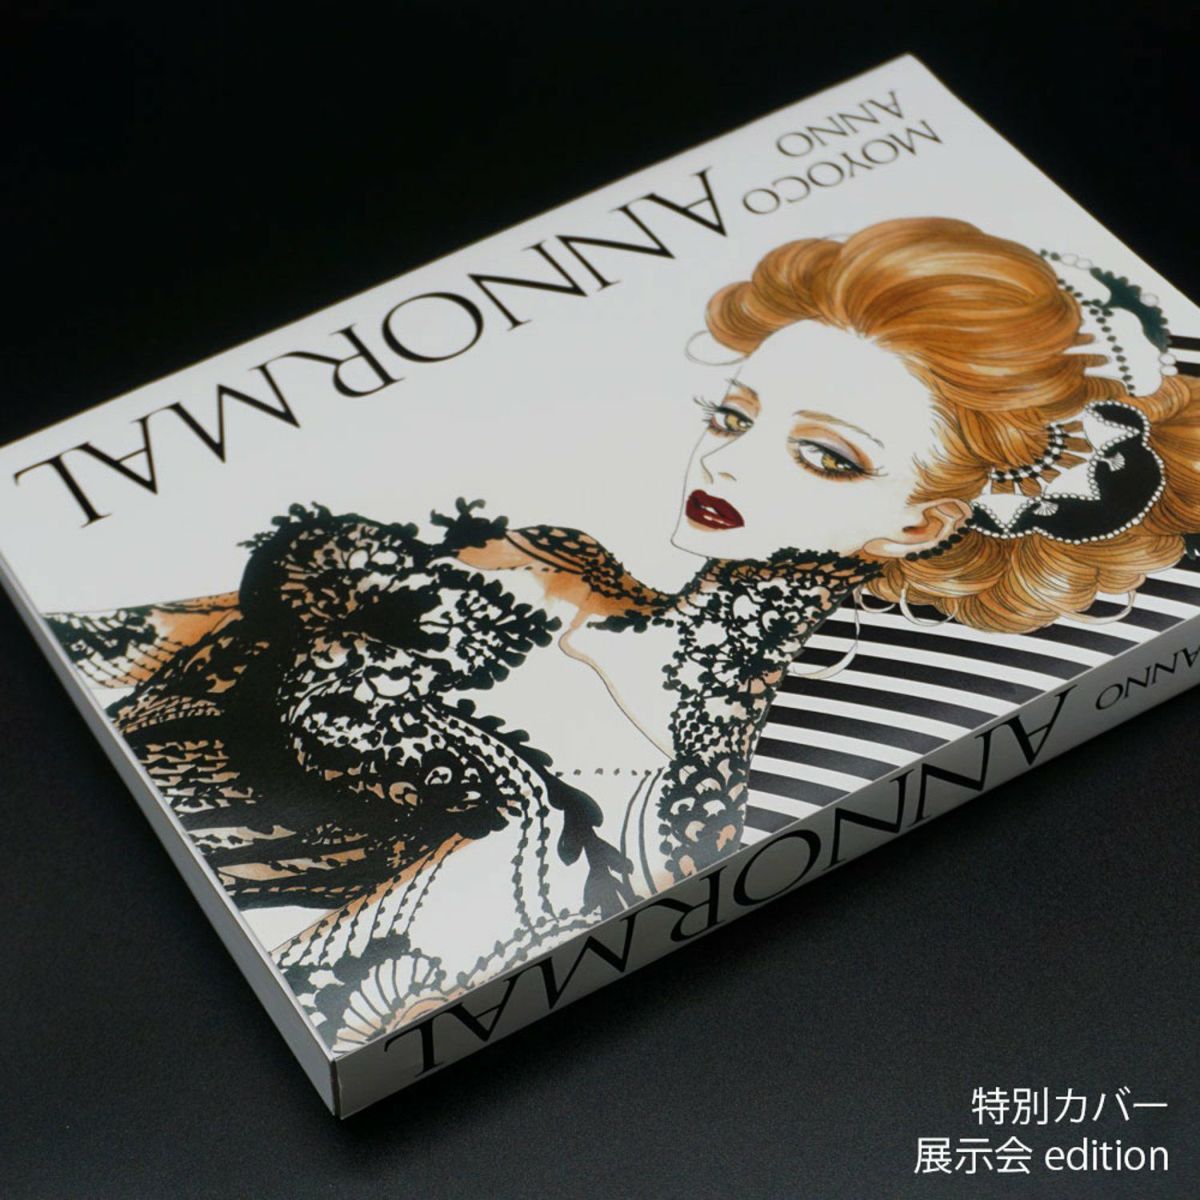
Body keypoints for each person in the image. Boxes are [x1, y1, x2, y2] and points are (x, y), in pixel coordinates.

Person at [49, 217, 1200, 1050]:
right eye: (734, 415)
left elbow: (347, 993)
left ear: (921, 523)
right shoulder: (540, 564)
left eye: (825, 455)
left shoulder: (694, 783)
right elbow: (114, 643)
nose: (729, 463)